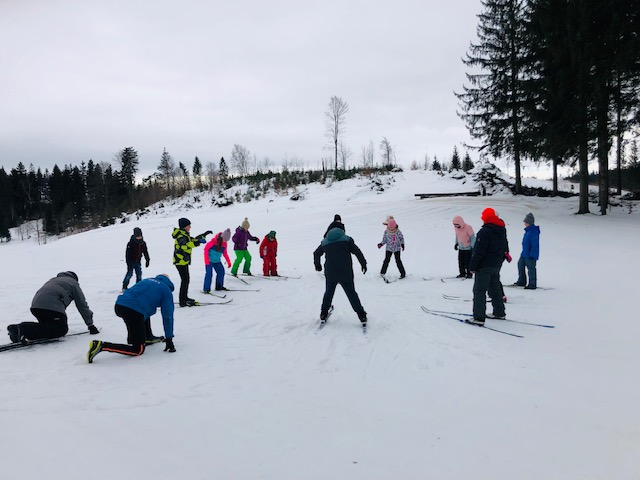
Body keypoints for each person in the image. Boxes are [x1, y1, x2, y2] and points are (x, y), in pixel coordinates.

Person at [87, 274, 176, 363]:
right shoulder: (166, 291)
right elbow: (168, 317)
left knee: (145, 309)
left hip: (119, 305)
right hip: (133, 311)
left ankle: (147, 336)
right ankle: (101, 346)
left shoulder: (146, 280)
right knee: (138, 350)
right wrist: (169, 339)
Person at [7, 271, 99, 343]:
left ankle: (21, 332)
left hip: (36, 306)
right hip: (51, 307)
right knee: (60, 329)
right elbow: (82, 304)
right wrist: (90, 324)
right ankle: (21, 329)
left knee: (47, 327)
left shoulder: (53, 280)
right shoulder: (73, 283)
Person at [313, 227, 368, 325]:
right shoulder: (347, 240)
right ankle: (361, 315)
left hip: (331, 273)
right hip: (345, 272)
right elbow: (357, 252)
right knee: (351, 294)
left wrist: (318, 265)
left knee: (328, 293)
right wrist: (363, 263)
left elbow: (316, 253)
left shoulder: (325, 243)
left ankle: (323, 313)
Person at [468, 208, 508, 325]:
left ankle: (478, 318)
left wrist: (472, 266)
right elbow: (505, 246)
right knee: (495, 288)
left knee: (479, 291)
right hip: (496, 264)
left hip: (484, 266)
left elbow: (479, 252)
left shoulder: (484, 232)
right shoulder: (501, 229)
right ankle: (499, 312)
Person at [173, 218, 212, 307]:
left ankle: (185, 297)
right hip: (180, 261)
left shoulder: (184, 234)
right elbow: (184, 246)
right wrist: (198, 242)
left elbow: (193, 240)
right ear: (184, 227)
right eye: (189, 226)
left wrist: (203, 235)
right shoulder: (181, 236)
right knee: (185, 280)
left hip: (183, 261)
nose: (190, 227)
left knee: (186, 280)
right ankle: (182, 301)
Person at [514, 212, 540, 289]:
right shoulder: (528, 231)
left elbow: (535, 245)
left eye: (525, 222)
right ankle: (522, 281)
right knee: (520, 265)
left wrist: (532, 255)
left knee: (531, 269)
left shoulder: (533, 232)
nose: (524, 224)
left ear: (529, 223)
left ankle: (532, 284)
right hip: (524, 253)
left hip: (530, 254)